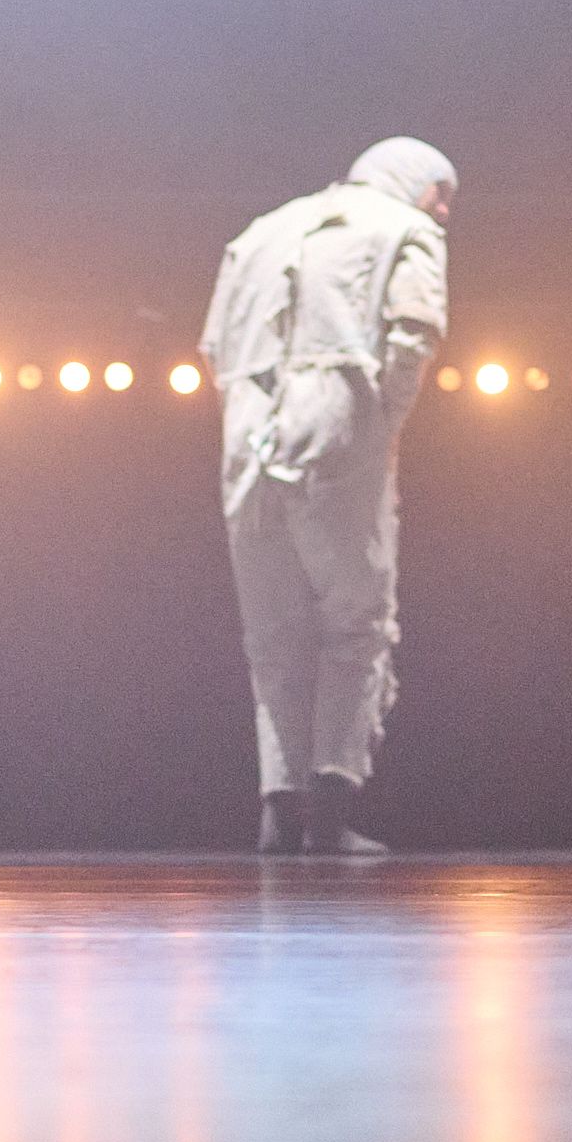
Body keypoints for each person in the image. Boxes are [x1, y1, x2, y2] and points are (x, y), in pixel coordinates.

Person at [201, 141, 455, 852]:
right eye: (441, 192)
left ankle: (280, 811)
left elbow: (215, 347)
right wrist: (382, 417)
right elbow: (416, 328)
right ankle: (331, 810)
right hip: (339, 433)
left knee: (272, 635)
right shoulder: (407, 230)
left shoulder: (257, 232)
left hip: (247, 441)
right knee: (357, 624)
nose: (442, 210)